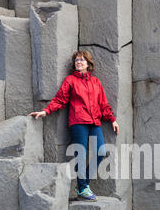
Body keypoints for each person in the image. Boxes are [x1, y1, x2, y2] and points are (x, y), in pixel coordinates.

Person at [29, 50, 119, 201]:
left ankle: (83, 185)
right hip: (78, 122)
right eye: (76, 60)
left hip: (94, 121)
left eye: (82, 60)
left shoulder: (96, 82)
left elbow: (103, 104)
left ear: (88, 64)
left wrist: (112, 119)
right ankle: (83, 188)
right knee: (81, 154)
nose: (78, 62)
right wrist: (45, 111)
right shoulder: (70, 80)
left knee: (101, 151)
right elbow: (60, 99)